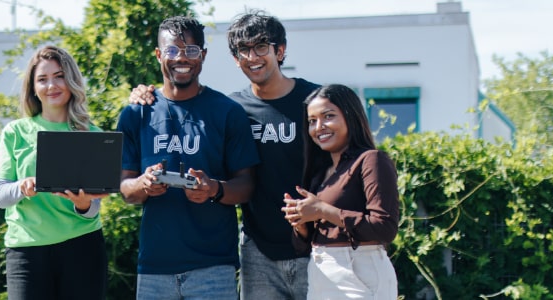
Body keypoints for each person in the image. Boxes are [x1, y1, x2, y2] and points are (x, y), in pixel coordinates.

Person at [129, 9, 319, 299]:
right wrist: (144, 92)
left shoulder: (314, 102)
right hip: (259, 250)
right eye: (244, 50)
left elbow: (346, 160)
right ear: (235, 59)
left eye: (261, 47)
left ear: (279, 51)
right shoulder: (235, 108)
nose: (253, 57)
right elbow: (124, 185)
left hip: (316, 243)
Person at [116, 16, 259, 299]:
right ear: (158, 55)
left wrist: (214, 189)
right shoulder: (135, 113)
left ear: (203, 55)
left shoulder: (227, 111)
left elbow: (247, 185)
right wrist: (144, 184)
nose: (181, 58)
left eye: (191, 50)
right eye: (171, 50)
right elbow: (124, 189)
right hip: (154, 267)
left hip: (214, 267)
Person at [0, 45, 109, 299]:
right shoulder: (15, 132)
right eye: (42, 79)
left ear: (71, 80)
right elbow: (0, 196)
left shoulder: (91, 135)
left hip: (82, 247)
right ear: (33, 88)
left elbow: (94, 207)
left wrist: (84, 205)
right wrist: (22, 186)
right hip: (26, 253)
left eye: (59, 76)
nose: (51, 85)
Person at [282, 84, 400, 299]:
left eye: (328, 116)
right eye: (312, 121)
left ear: (350, 116)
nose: (319, 127)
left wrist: (322, 210)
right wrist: (301, 224)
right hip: (321, 273)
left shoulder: (371, 160)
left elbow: (385, 228)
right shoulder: (321, 173)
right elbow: (304, 245)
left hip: (358, 271)